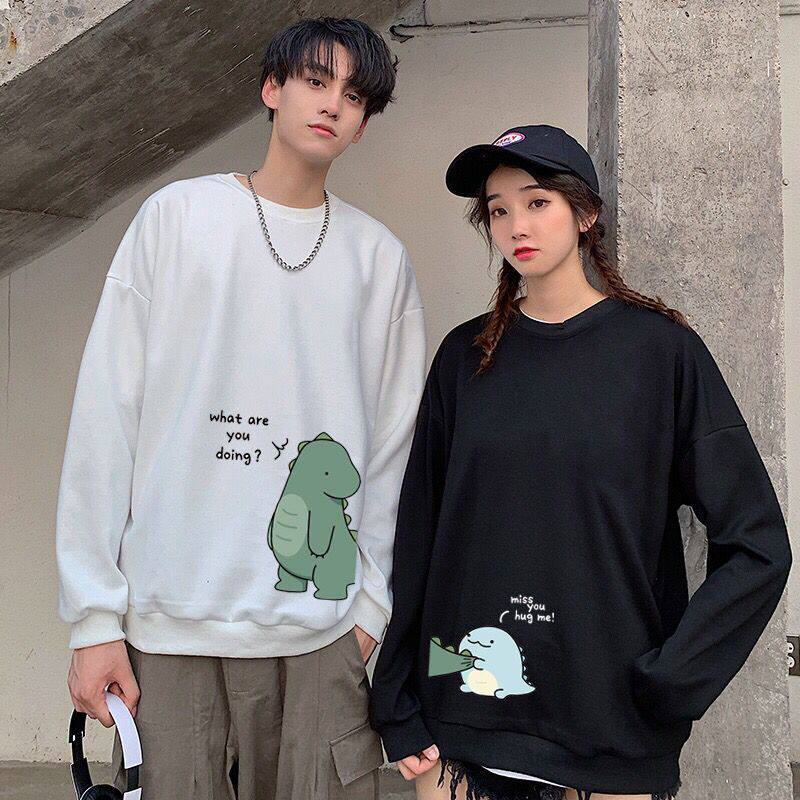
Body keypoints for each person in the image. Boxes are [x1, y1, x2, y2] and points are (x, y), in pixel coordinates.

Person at [56, 17, 427, 800]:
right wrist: (94, 620)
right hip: (171, 621)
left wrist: (371, 606)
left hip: (322, 631)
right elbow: (106, 420)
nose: (332, 104)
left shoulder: (378, 260)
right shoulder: (177, 218)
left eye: (354, 95)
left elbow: (395, 452)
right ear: (271, 89)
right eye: (315, 81)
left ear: (363, 124)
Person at [368, 125, 792, 800]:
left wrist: (674, 680)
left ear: (585, 213)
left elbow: (758, 544)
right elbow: (418, 533)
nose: (516, 225)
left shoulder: (660, 355)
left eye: (537, 202)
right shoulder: (464, 359)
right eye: (498, 210)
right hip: (464, 723)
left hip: (611, 729)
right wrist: (397, 701)